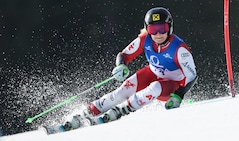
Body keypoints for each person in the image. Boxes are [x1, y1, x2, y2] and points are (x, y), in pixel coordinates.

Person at [48, 7, 198, 133]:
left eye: (162, 28)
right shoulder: (144, 39)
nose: (158, 34)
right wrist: (121, 65)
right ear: (147, 29)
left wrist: (178, 95)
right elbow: (124, 55)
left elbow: (192, 76)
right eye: (153, 29)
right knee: (121, 91)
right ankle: (86, 113)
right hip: (152, 73)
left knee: (155, 87)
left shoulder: (179, 49)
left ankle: (122, 110)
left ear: (169, 28)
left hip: (172, 85)